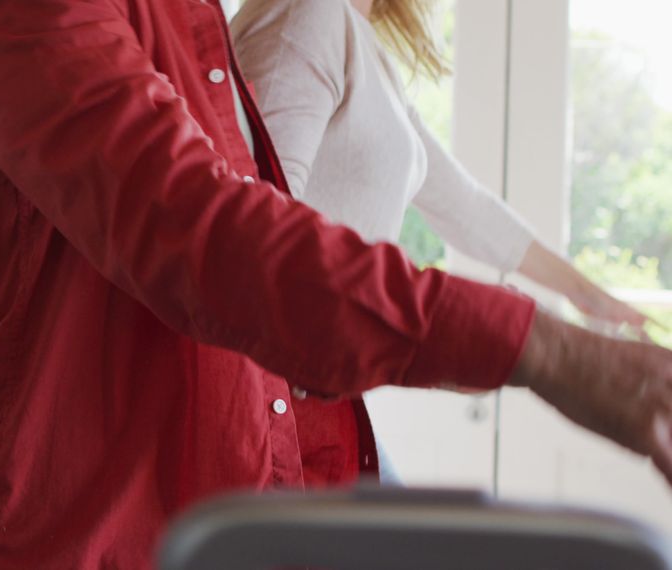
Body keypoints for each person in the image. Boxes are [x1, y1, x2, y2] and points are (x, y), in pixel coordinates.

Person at [0, 0, 672, 568]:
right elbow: (208, 235)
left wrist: (588, 314)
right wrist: (534, 348)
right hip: (47, 539)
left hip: (194, 507)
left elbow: (458, 201)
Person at [230, 0, 650, 483]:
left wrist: (593, 299)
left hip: (328, 403)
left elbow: (466, 207)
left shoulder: (362, 46)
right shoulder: (310, 17)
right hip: (279, 413)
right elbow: (257, 236)